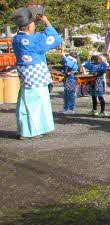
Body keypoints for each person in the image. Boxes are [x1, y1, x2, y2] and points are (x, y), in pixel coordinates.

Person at [11, 8, 62, 139]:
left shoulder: (16, 39)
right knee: (36, 103)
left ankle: (25, 130)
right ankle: (33, 131)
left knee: (24, 102)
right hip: (36, 75)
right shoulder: (34, 41)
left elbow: (37, 37)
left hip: (25, 74)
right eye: (33, 23)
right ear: (29, 26)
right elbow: (54, 39)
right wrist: (47, 22)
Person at [83, 52, 109, 116]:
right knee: (93, 96)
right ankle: (94, 110)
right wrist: (89, 59)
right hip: (93, 82)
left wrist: (101, 60)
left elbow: (104, 70)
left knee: (100, 96)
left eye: (97, 58)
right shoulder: (93, 64)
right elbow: (85, 65)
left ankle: (103, 111)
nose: (95, 59)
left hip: (99, 81)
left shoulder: (103, 64)